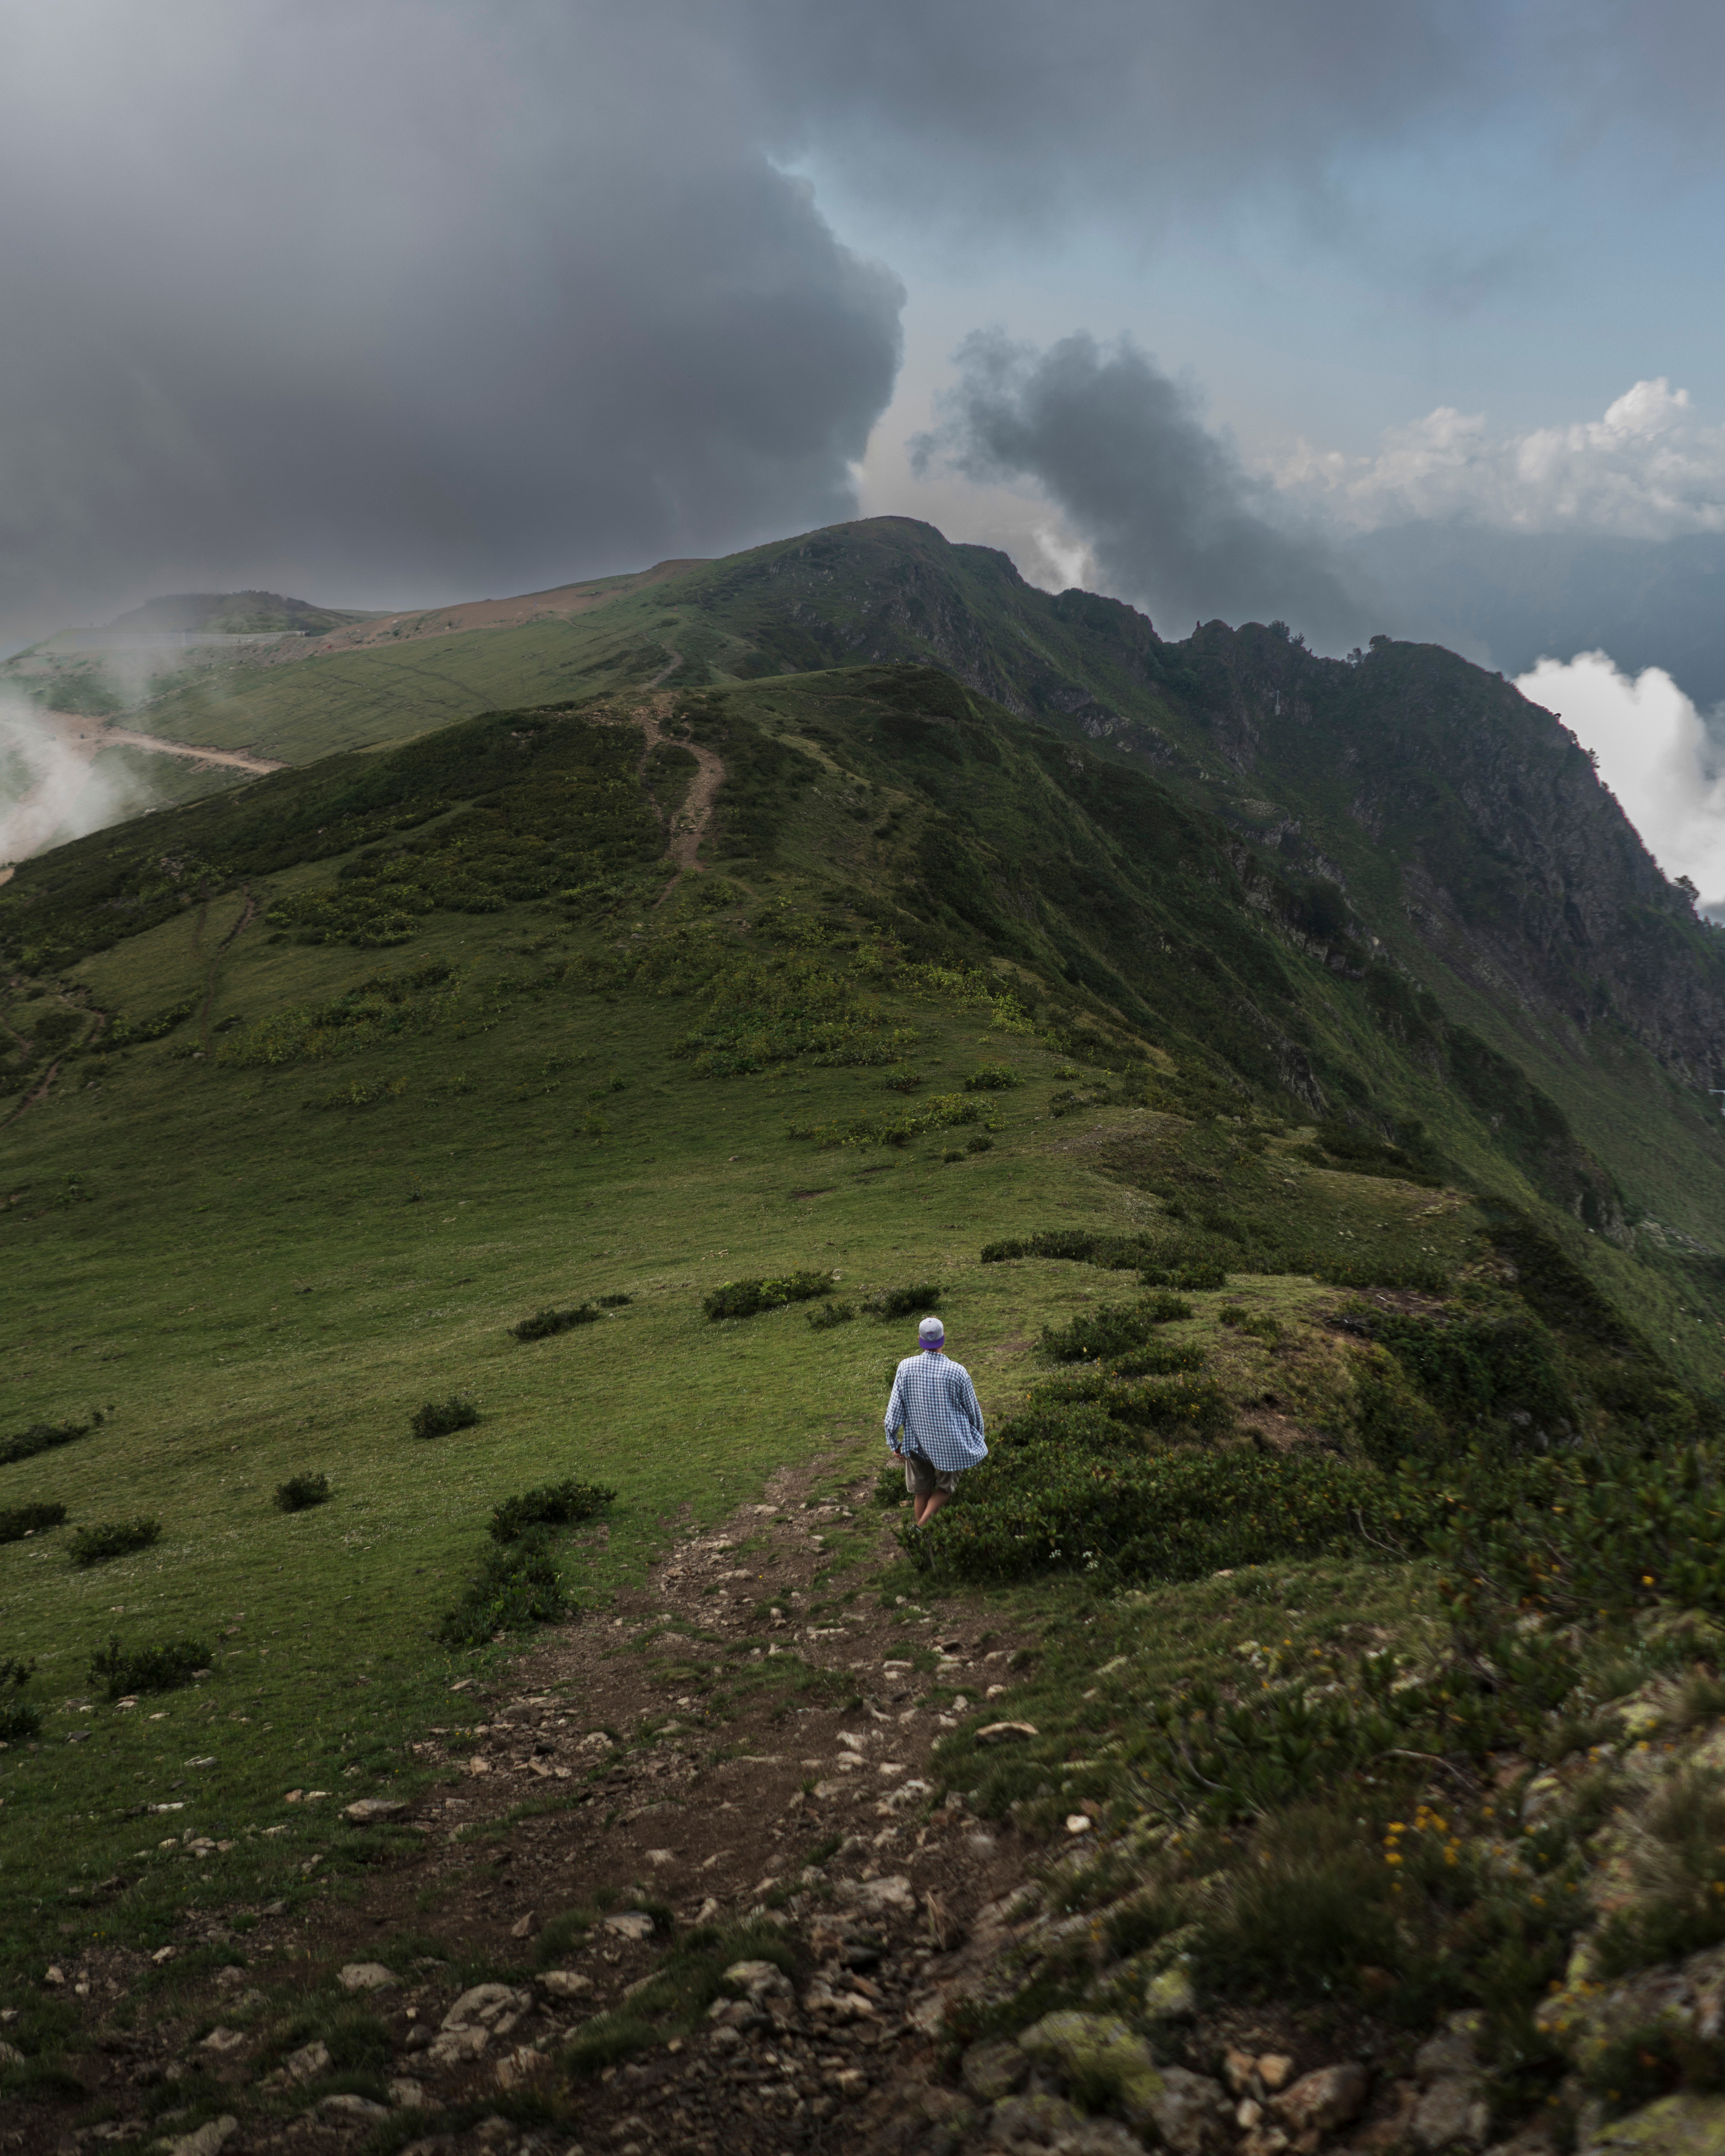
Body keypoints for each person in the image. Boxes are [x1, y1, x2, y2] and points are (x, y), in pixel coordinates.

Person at [884, 1314, 986, 1528]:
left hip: (915, 1442)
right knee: (945, 1488)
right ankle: (920, 1530)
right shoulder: (957, 1371)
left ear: (921, 1340)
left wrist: (895, 1443)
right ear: (943, 1338)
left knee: (921, 1491)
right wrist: (978, 1439)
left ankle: (921, 1537)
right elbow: (974, 1413)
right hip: (949, 1445)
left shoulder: (905, 1367)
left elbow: (894, 1412)